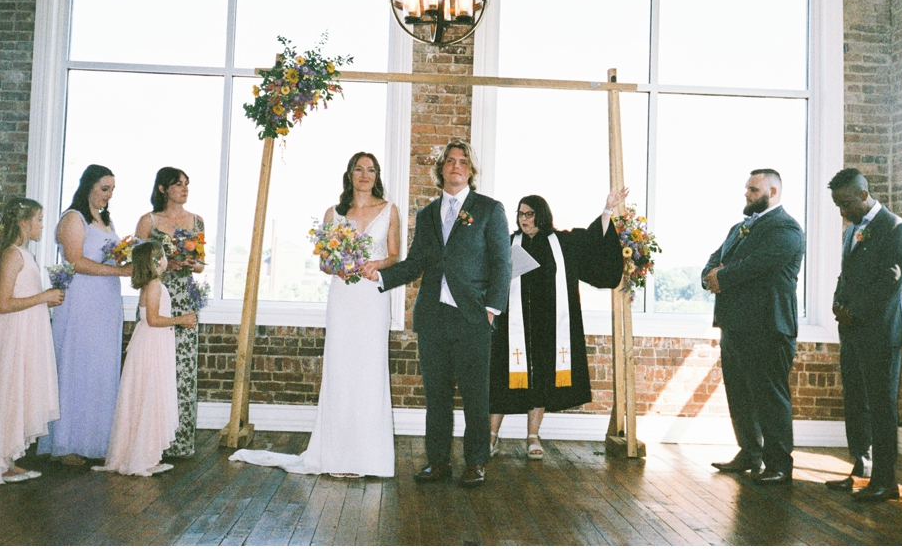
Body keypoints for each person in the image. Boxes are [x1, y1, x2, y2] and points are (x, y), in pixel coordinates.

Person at [231, 152, 400, 477]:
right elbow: (324, 263)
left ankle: (368, 457)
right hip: (342, 296)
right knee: (340, 368)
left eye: (371, 169)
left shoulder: (389, 210)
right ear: (349, 174)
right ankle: (336, 454)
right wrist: (339, 264)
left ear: (377, 175)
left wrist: (376, 264)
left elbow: (395, 255)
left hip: (372, 295)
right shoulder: (333, 213)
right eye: (358, 169)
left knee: (369, 369)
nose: (365, 174)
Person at [364, 139, 510, 488]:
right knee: (437, 396)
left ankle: (476, 462)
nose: (456, 166)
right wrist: (381, 275)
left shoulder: (490, 209)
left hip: (473, 317)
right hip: (432, 317)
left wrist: (491, 309)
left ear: (470, 171)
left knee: (476, 396)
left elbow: (501, 263)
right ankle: (438, 461)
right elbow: (417, 262)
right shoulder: (428, 214)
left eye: (462, 162)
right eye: (450, 161)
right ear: (441, 169)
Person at [489, 191, 625, 459]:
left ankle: (532, 436)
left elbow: (593, 240)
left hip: (547, 327)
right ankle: (490, 436)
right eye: (520, 214)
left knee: (540, 380)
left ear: (541, 215)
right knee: (500, 381)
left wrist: (607, 210)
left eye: (529, 213)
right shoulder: (508, 243)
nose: (523, 219)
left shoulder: (562, 243)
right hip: (511, 327)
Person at [702, 169, 805, 486]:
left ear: (772, 192)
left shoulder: (786, 228)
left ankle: (779, 464)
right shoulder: (739, 227)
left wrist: (722, 276)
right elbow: (714, 258)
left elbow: (757, 266)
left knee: (770, 397)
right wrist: (710, 274)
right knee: (740, 394)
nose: (746, 194)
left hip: (768, 327)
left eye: (753, 189)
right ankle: (749, 452)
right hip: (735, 326)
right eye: (747, 188)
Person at [0, 198, 64, 486]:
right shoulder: (12, 255)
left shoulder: (24, 254)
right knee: (9, 390)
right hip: (14, 333)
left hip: (27, 331)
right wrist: (45, 297)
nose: (42, 226)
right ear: (23, 222)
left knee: (19, 390)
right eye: (39, 220)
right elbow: (3, 303)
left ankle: (6, 459)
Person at [827, 167, 902, 502]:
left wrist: (855, 311)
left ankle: (885, 480)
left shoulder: (895, 228)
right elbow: (845, 275)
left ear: (864, 194)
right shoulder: (851, 232)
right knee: (855, 403)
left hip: (882, 333)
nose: (842, 212)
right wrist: (837, 303)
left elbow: (891, 281)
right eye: (837, 205)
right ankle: (860, 468)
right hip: (852, 331)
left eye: (845, 203)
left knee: (881, 406)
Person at [38, 165, 131, 466]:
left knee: (101, 366)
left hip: (105, 301)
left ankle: (98, 440)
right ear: (89, 186)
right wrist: (118, 270)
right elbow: (75, 261)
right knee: (79, 364)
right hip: (81, 300)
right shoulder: (73, 218)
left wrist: (129, 257)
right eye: (105, 188)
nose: (109, 195)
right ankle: (67, 443)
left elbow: (105, 255)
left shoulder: (105, 220)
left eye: (112, 189)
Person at [93, 241, 196, 477]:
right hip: (152, 343)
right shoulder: (155, 285)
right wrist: (180, 320)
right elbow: (152, 319)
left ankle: (146, 454)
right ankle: (142, 457)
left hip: (152, 342)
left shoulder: (150, 285)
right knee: (151, 395)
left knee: (148, 396)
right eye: (164, 256)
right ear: (158, 261)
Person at [135, 167, 206, 458]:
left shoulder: (197, 221)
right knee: (156, 366)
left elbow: (202, 264)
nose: (184, 189)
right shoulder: (148, 221)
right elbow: (137, 263)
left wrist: (192, 265)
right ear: (163, 189)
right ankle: (150, 440)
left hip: (185, 298)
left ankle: (178, 441)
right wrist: (164, 267)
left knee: (183, 369)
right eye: (178, 184)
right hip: (158, 296)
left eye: (187, 184)